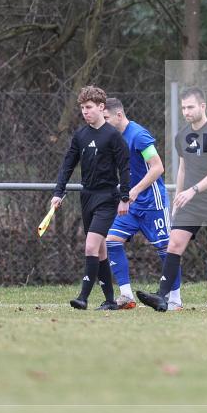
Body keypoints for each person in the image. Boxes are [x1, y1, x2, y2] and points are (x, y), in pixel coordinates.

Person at [136, 87, 207, 312]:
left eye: (190, 107)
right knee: (174, 244)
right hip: (190, 203)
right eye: (183, 107)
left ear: (202, 106)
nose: (186, 111)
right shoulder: (182, 136)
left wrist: (192, 190)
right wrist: (178, 195)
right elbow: (183, 168)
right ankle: (162, 297)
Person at [51, 85, 130, 311]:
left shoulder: (113, 136)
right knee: (101, 249)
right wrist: (58, 193)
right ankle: (110, 300)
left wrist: (124, 197)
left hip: (107, 198)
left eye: (89, 107)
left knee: (90, 247)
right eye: (82, 108)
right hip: (87, 196)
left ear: (101, 107)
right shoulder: (81, 135)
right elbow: (68, 165)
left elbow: (125, 167)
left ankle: (83, 297)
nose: (85, 112)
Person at [102, 98, 179, 310]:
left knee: (166, 249)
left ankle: (175, 300)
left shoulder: (138, 135)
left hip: (151, 203)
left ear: (119, 115)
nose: (104, 122)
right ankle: (126, 296)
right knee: (111, 241)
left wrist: (135, 190)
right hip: (130, 204)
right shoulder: (113, 138)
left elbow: (157, 167)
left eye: (106, 118)